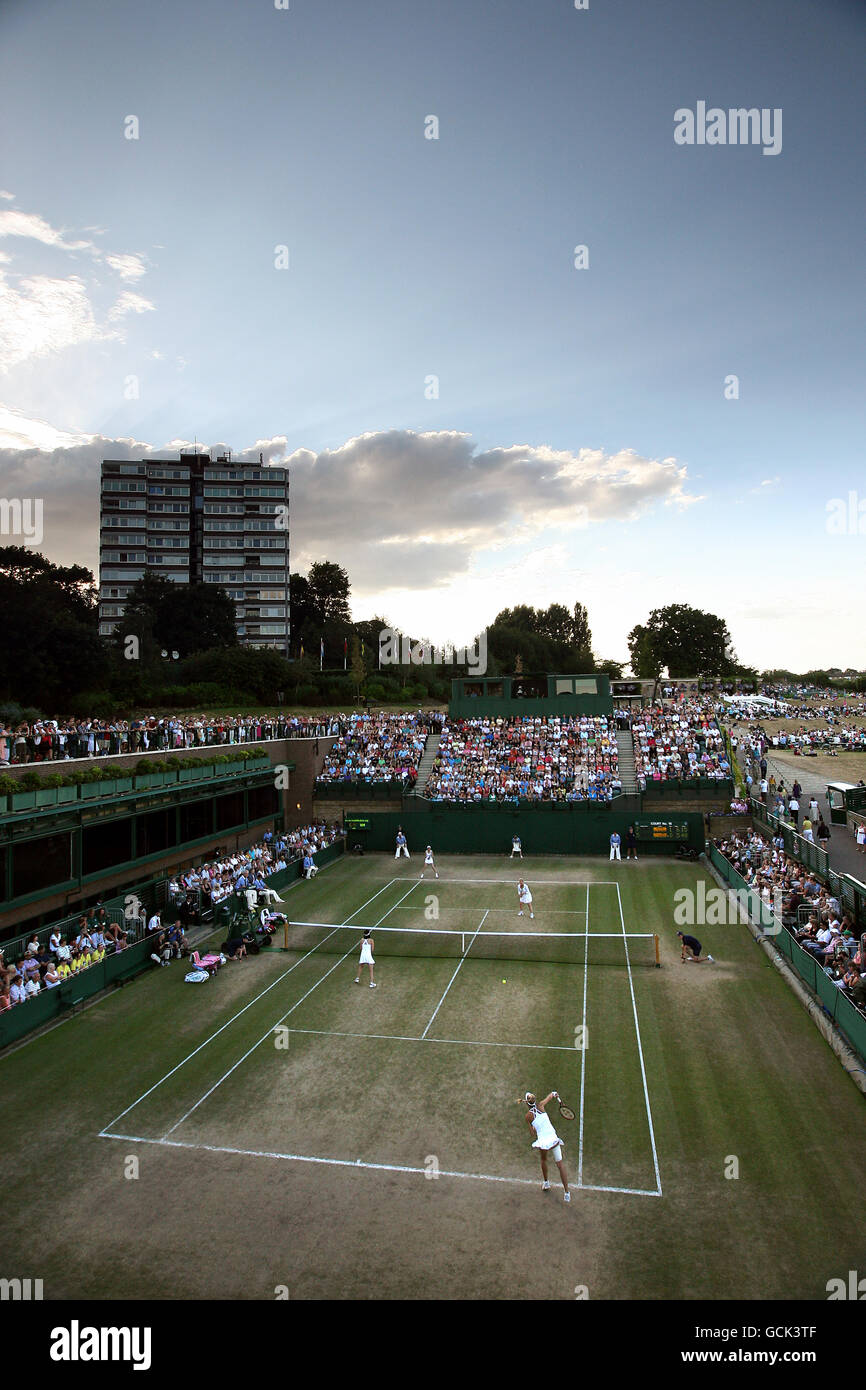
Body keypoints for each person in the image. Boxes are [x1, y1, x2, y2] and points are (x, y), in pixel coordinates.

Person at [518, 1092, 570, 1203]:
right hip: (553, 1138)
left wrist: (535, 1127)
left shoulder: (528, 1116)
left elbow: (532, 1133)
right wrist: (555, 1094)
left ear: (526, 1103)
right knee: (560, 1165)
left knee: (543, 1160)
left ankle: (546, 1183)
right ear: (534, 1101)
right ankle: (567, 1193)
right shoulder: (541, 1105)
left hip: (543, 1141)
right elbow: (551, 1095)